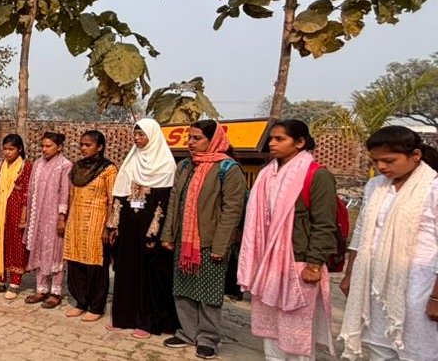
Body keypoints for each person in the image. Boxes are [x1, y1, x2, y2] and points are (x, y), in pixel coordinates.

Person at [238, 119, 339, 361]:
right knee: (271, 328)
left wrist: (314, 263)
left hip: (299, 262)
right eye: (271, 139)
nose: (272, 144)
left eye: (280, 139)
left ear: (300, 142)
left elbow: (324, 224)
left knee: (296, 328)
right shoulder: (267, 174)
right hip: (268, 262)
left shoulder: (318, 175)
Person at [339, 126, 438, 360]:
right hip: (376, 284)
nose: (381, 167)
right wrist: (350, 273)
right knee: (379, 349)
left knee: (417, 352)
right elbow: (362, 231)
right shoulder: (376, 186)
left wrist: (436, 297)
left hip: (420, 285)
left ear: (415, 155)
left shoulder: (433, 188)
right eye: (376, 161)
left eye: (389, 160)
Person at [160, 120, 245, 359]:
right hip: (184, 241)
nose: (190, 143)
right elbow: (175, 201)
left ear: (213, 140)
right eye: (190, 138)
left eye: (197, 138)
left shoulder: (228, 169)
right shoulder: (186, 165)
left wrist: (221, 245)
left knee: (209, 293)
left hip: (210, 242)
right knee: (183, 288)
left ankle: (208, 338)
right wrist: (168, 234)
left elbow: (232, 211)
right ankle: (187, 333)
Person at [108, 119, 180, 338]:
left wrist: (156, 230)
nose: (137, 138)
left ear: (153, 136)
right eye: (135, 134)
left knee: (149, 273)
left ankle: (148, 322)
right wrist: (115, 224)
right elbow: (120, 195)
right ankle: (124, 317)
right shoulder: (131, 161)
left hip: (152, 228)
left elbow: (166, 202)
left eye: (141, 135)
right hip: (129, 225)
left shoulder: (166, 165)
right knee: (127, 270)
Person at [62, 130, 118, 321]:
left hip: (96, 222)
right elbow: (71, 196)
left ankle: (96, 307)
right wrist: (66, 219)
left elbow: (112, 200)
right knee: (75, 262)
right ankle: (80, 302)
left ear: (99, 147)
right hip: (76, 221)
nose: (83, 148)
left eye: (88, 145)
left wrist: (108, 226)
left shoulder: (108, 169)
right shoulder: (77, 167)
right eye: (82, 144)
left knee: (95, 265)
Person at [25, 132, 73, 308]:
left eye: (48, 146)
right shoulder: (38, 164)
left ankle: (55, 292)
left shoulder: (65, 165)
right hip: (39, 215)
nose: (44, 149)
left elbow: (65, 192)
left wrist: (61, 217)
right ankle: (41, 289)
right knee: (39, 249)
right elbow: (31, 192)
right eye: (43, 146)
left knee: (55, 252)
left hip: (54, 217)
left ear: (59, 147)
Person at [0, 134, 33, 299]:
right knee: (0, 243)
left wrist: (24, 216)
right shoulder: (0, 165)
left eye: (11, 149)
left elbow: (27, 193)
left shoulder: (25, 166)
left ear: (19, 149)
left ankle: (14, 283)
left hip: (16, 211)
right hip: (0, 211)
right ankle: (0, 280)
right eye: (5, 149)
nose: (7, 152)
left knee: (16, 245)